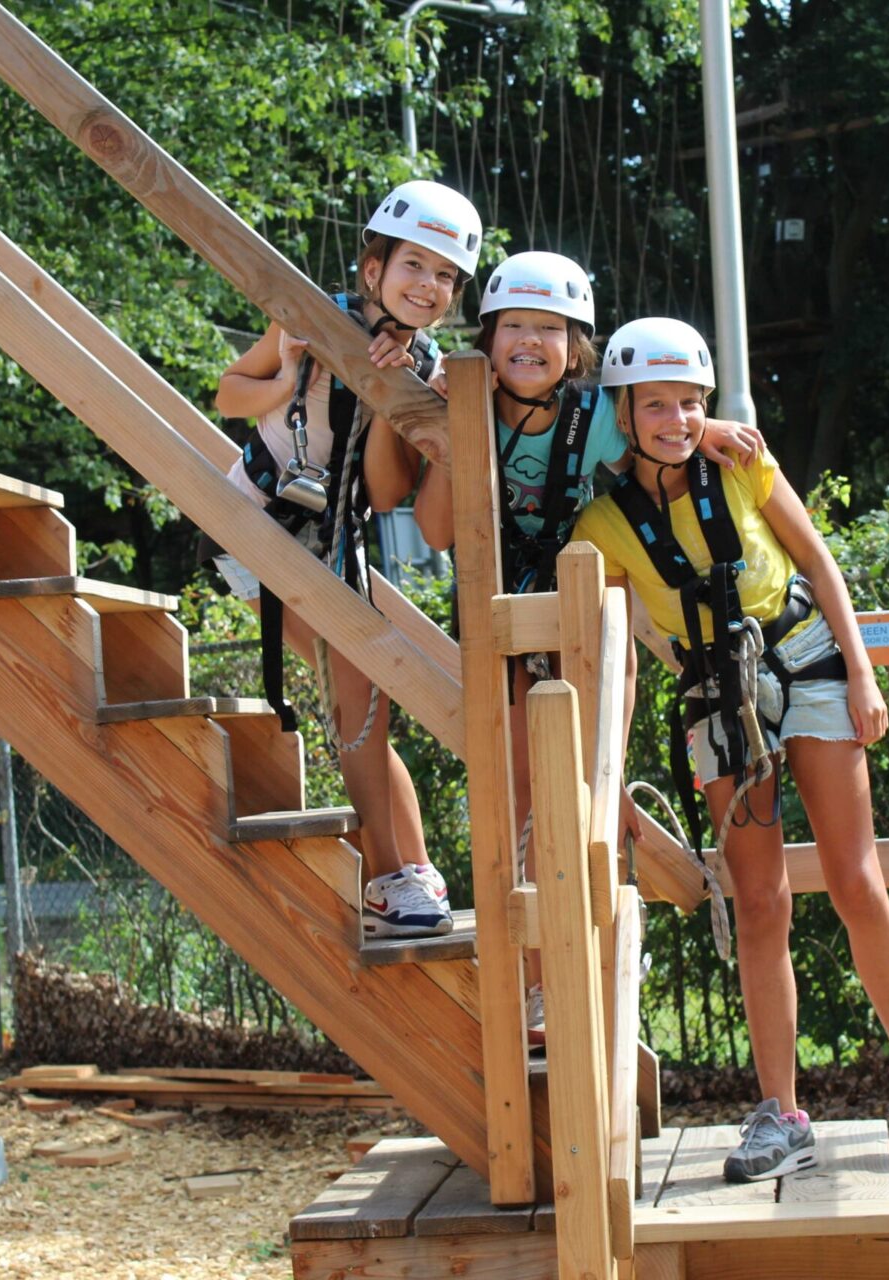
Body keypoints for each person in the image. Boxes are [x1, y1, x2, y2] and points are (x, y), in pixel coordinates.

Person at [570, 316, 889, 1182]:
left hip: (805, 658)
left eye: (690, 403)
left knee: (854, 871)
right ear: (623, 410)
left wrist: (861, 673)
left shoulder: (741, 461)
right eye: (656, 405)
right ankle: (782, 1112)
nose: (677, 419)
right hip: (717, 691)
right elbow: (619, 628)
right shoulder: (601, 523)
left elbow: (817, 559)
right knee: (760, 902)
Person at [395, 253, 762, 1040]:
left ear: (577, 344)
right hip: (500, 617)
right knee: (525, 801)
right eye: (516, 326)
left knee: (595, 785)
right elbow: (430, 530)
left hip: (587, 619)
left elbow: (664, 431)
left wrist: (711, 428)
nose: (532, 341)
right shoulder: (462, 403)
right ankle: (537, 986)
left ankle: (605, 947)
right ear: (487, 335)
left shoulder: (600, 413)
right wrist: (453, 439)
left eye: (552, 329)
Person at [210, 180, 482, 941]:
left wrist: (394, 395)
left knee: (372, 699)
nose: (427, 286)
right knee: (360, 694)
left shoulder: (423, 369)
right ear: (373, 270)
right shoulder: (307, 318)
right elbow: (231, 394)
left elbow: (389, 491)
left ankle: (408, 869)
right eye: (413, 267)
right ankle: (392, 875)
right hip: (261, 522)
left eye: (444, 277)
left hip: (334, 537)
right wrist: (294, 376)